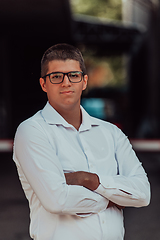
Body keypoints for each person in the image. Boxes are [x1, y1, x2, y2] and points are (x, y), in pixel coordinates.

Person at [13, 43, 150, 240]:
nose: (66, 83)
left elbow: (143, 193)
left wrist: (89, 180)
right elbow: (57, 201)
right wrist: (112, 198)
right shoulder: (32, 131)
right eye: (56, 76)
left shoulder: (111, 133)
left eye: (73, 75)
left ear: (84, 81)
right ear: (44, 84)